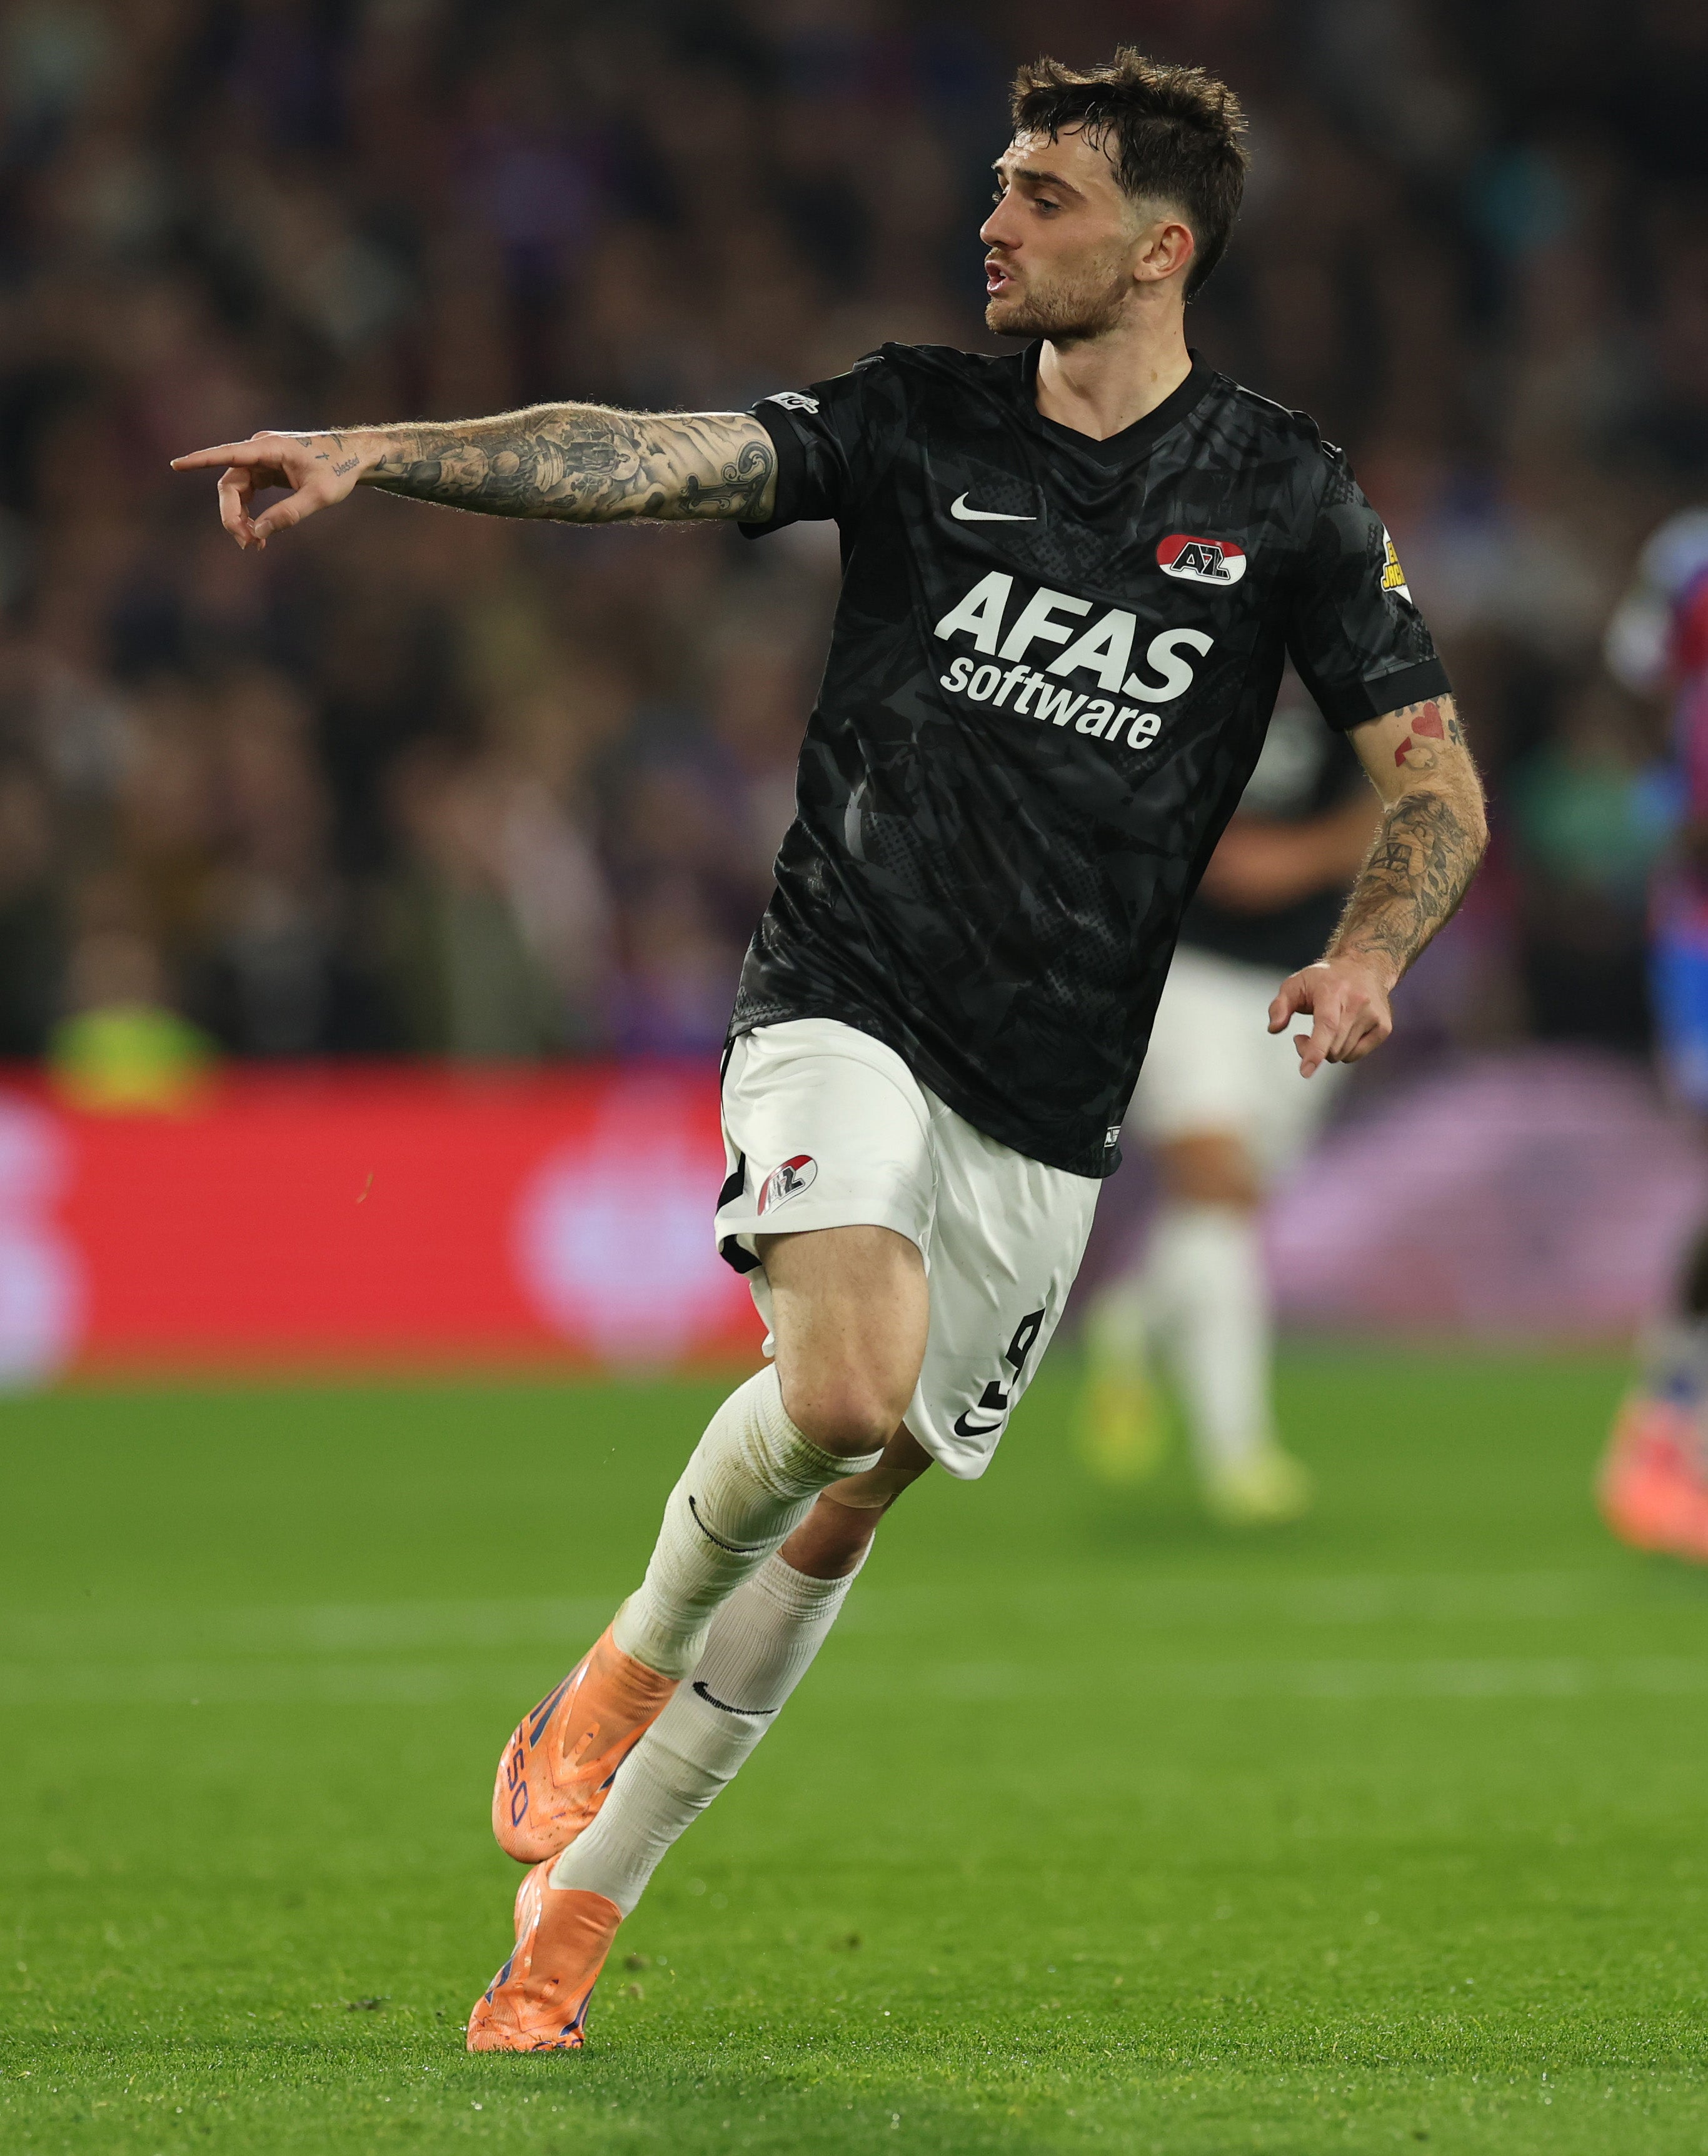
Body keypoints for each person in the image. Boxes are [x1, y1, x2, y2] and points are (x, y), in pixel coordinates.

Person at [173, 49, 1487, 2054]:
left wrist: (1369, 949)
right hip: (845, 991)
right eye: (996, 185)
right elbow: (641, 451)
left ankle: (574, 1922)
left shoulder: (1281, 496)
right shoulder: (914, 419)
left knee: (855, 1497)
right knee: (848, 1389)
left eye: (1039, 194)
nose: (993, 220)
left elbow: (1437, 784)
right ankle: (619, 1662)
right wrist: (382, 445)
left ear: (1160, 245)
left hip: (1050, 1095)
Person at [1078, 676, 1379, 1523]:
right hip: (1183, 976)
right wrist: (1332, 846)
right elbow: (1231, 863)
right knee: (1218, 1186)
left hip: (1311, 982)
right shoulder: (1177, 684)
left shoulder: (1351, 700)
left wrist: (1310, 852)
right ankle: (1239, 1454)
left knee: (1231, 1211)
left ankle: (1135, 1313)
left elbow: (1412, 807)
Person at [1596, 506, 1708, 1558]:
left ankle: (1671, 1415)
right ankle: (1665, 1421)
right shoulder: (1689, 558)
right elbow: (1628, 684)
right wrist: (1663, 802)